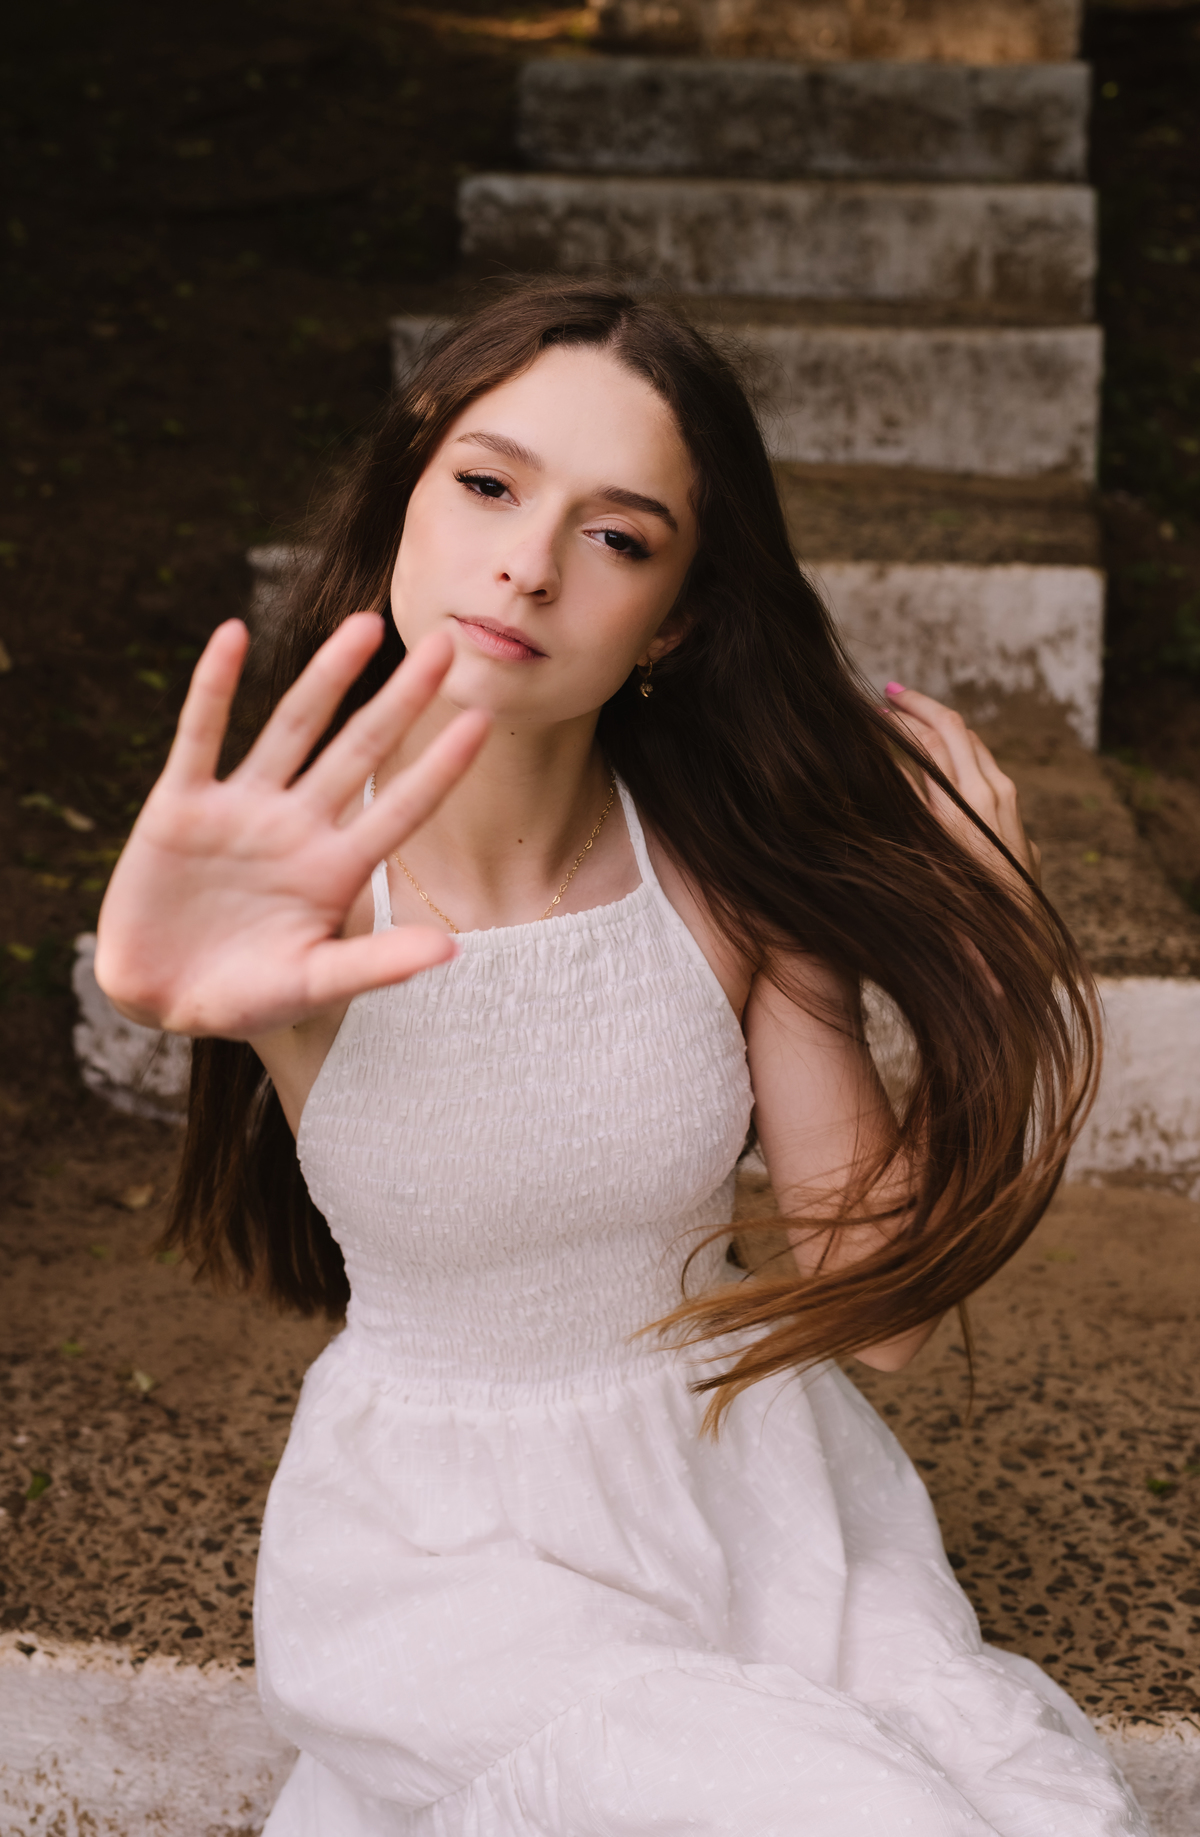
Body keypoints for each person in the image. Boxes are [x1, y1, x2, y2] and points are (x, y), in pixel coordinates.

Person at [95, 280, 1146, 1836]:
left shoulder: (720, 880)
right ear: (407, 500)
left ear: (681, 616)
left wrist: (987, 929)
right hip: (436, 1559)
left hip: (747, 1497)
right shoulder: (307, 890)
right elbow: (186, 966)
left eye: (617, 534)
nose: (524, 559)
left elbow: (886, 1309)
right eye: (489, 483)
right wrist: (166, 978)